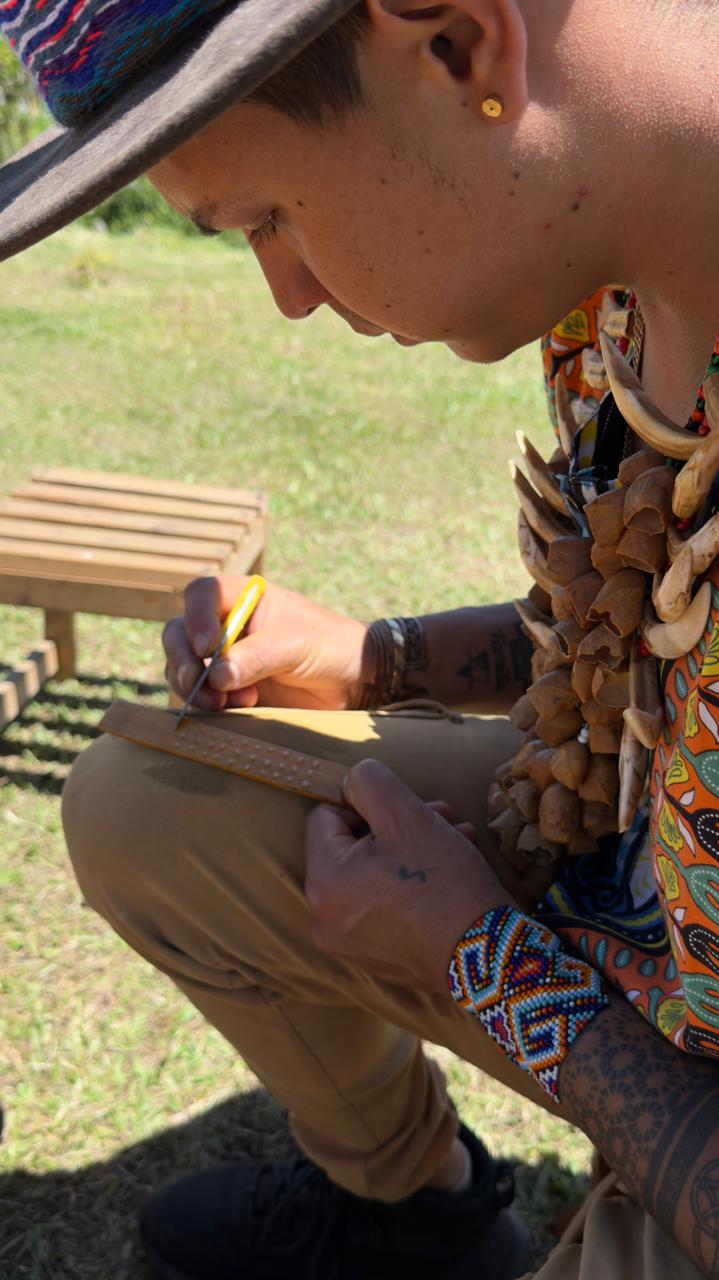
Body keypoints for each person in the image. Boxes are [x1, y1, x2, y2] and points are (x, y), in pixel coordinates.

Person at [2, 1, 719, 1277]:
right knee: (156, 801)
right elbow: (656, 634)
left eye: (268, 217)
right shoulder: (607, 263)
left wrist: (480, 960)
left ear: (455, 44)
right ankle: (409, 1207)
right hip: (644, 907)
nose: (286, 296)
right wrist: (383, 656)